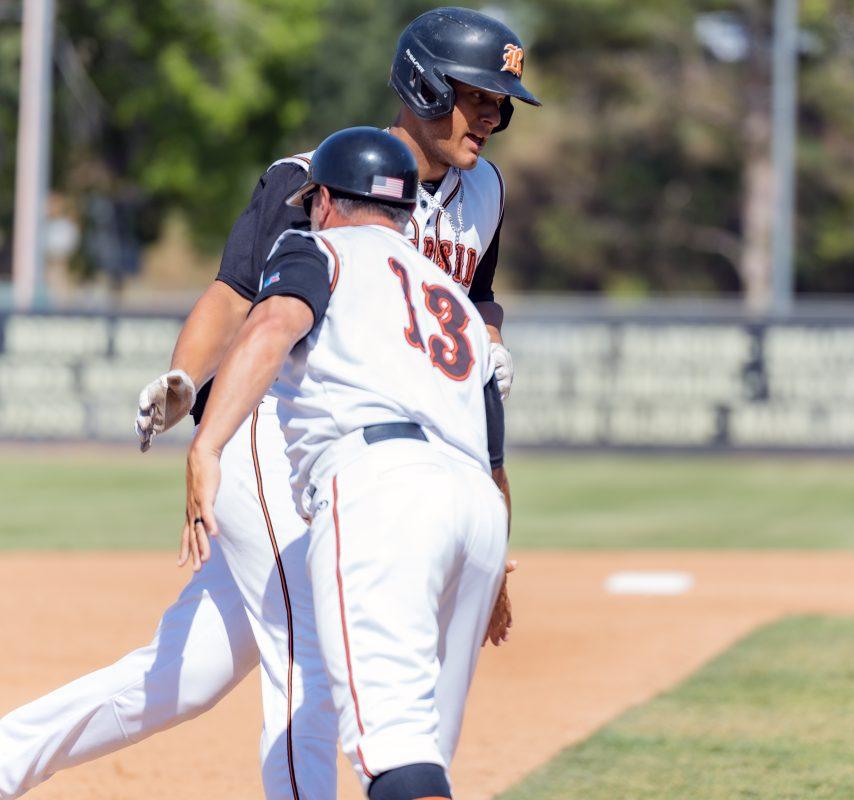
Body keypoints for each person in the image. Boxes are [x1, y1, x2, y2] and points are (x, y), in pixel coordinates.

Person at [0, 8, 535, 799]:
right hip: (278, 429)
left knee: (183, 676)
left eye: (502, 103)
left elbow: (475, 296)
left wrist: (486, 340)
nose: (493, 117)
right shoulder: (314, 176)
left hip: (365, 452)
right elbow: (240, 297)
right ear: (423, 85)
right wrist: (187, 385)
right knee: (310, 655)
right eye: (477, 97)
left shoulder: (483, 193)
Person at [187, 126, 507, 799]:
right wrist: (501, 562)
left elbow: (270, 325)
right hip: (476, 509)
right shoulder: (451, 295)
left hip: (382, 490)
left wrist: (207, 443)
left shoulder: (317, 247)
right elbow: (493, 442)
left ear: (326, 201)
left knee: (392, 754)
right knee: (418, 752)